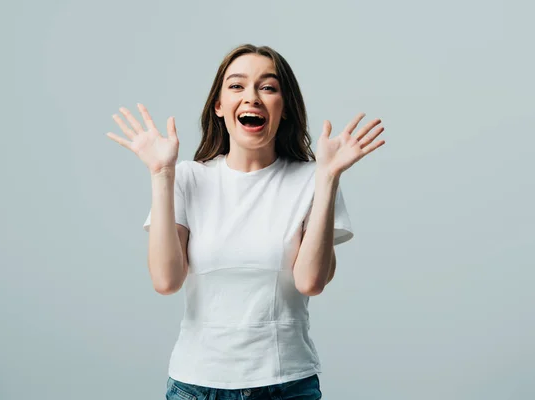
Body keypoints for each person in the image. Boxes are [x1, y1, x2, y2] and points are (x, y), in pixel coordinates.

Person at [106, 44, 385, 400]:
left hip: (287, 384)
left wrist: (328, 178)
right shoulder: (187, 178)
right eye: (237, 86)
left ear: (284, 109)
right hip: (196, 385)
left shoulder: (312, 180)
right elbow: (166, 281)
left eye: (268, 87)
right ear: (219, 106)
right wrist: (162, 173)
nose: (252, 97)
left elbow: (311, 281)